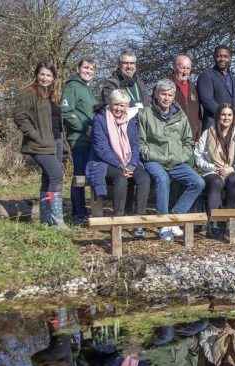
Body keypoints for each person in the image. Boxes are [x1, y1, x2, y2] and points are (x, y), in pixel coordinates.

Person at [139, 79, 205, 241]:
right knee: (162, 179)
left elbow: (188, 141)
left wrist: (181, 156)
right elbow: (141, 143)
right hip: (154, 160)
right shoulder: (145, 114)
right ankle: (163, 224)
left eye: (169, 95)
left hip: (176, 161)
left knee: (198, 182)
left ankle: (174, 217)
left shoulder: (180, 115)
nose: (166, 98)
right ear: (156, 94)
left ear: (173, 96)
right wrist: (151, 155)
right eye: (163, 94)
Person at [86, 89, 150, 237]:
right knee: (120, 178)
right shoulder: (100, 119)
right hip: (105, 162)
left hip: (128, 160)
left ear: (127, 106)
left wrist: (132, 164)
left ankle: (139, 221)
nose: (119, 109)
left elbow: (135, 145)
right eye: (116, 105)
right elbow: (101, 148)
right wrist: (121, 165)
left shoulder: (130, 120)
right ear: (110, 103)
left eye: (122, 105)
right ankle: (118, 219)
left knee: (144, 178)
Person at [13, 60, 68, 230]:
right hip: (40, 143)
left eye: (49, 75)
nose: (45, 78)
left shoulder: (53, 95)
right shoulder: (29, 93)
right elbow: (19, 116)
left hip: (56, 142)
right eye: (42, 74)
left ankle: (46, 220)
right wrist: (34, 135)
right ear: (37, 75)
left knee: (48, 179)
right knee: (57, 176)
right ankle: (58, 220)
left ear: (54, 78)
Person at [194, 103, 235, 239]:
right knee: (216, 182)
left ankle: (229, 220)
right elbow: (198, 157)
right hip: (212, 170)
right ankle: (213, 223)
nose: (226, 118)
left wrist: (231, 168)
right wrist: (213, 168)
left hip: (232, 169)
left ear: (233, 117)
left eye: (229, 115)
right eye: (223, 114)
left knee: (234, 180)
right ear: (218, 116)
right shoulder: (208, 133)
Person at [61, 57, 98, 224]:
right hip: (79, 139)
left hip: (91, 140)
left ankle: (83, 211)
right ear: (78, 68)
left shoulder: (87, 88)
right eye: (85, 67)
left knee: (87, 175)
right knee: (79, 175)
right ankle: (78, 214)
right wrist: (85, 128)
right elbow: (66, 112)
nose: (88, 71)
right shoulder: (72, 87)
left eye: (91, 69)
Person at [197, 45, 235, 130]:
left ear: (230, 58)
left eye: (225, 56)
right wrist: (227, 116)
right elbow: (207, 100)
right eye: (219, 56)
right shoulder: (206, 76)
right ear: (214, 57)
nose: (222, 59)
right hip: (215, 125)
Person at [167, 55, 201, 140]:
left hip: (192, 137)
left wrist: (198, 133)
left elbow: (198, 113)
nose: (185, 72)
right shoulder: (165, 85)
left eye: (188, 68)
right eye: (182, 68)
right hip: (173, 137)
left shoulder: (193, 87)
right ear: (174, 68)